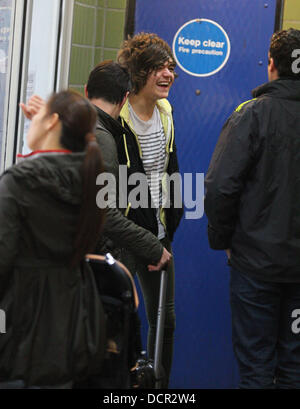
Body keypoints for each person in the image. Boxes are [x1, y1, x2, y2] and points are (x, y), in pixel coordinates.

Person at [204, 29, 300, 389]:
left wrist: (224, 240)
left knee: (257, 368)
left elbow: (218, 187)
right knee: (295, 368)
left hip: (255, 268)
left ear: (271, 65)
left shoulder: (252, 114)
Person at [0, 90, 106, 388]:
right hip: (74, 319)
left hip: (21, 324)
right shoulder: (91, 176)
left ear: (52, 122)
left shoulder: (19, 182)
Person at [117, 33, 183, 387]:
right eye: (158, 67)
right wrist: (146, 242)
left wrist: (169, 227)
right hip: (127, 237)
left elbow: (168, 170)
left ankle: (159, 387)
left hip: (159, 234)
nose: (168, 74)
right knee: (123, 317)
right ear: (138, 72)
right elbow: (122, 188)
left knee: (166, 321)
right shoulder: (120, 116)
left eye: (170, 67)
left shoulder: (166, 111)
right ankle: (126, 384)